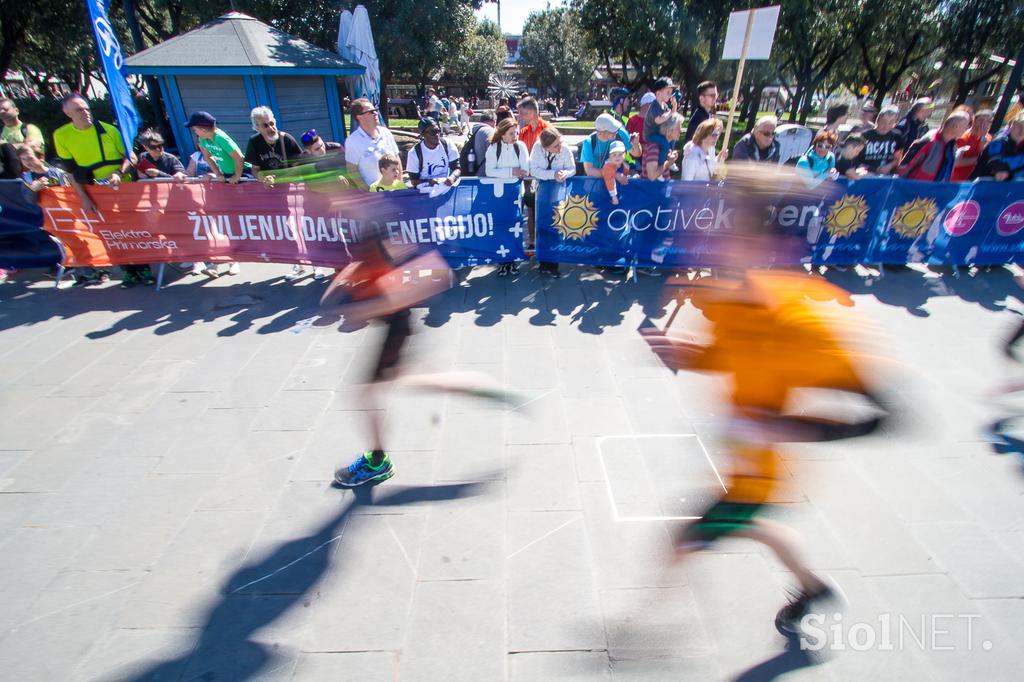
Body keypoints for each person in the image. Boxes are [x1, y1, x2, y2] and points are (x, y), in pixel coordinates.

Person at [644, 164, 890, 637]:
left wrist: (790, 428)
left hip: (761, 475)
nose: (705, 245)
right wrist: (692, 357)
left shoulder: (803, 321)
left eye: (723, 232)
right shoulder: (730, 300)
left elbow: (886, 416)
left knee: (681, 542)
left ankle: (647, 635)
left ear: (763, 244)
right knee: (759, 527)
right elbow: (729, 357)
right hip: (740, 455)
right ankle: (811, 587)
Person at [53, 93, 135, 286]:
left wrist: (118, 172)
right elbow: (70, 171)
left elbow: (130, 157)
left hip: (121, 189)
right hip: (93, 192)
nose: (85, 113)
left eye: (86, 108)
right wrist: (83, 197)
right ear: (67, 112)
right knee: (108, 233)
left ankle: (142, 269)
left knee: (131, 231)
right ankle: (126, 271)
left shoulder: (109, 130)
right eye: (79, 110)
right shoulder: (61, 135)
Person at [187, 110, 244, 276]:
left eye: (196, 129)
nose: (194, 132)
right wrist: (218, 173)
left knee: (236, 221)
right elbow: (207, 157)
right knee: (224, 221)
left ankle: (235, 260)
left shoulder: (221, 138)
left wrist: (237, 176)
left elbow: (239, 158)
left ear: (204, 128)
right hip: (226, 176)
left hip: (242, 174)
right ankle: (220, 261)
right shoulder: (203, 140)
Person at [484, 117, 530, 276]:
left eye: (516, 133)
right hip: (498, 195)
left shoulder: (520, 146)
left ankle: (513, 258)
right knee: (500, 227)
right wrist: (511, 172)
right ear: (502, 134)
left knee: (515, 226)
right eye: (511, 133)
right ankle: (502, 261)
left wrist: (508, 173)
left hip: (516, 194)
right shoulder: (493, 148)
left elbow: (525, 169)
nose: (515, 136)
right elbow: (489, 171)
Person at [529, 127, 576, 277]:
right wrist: (552, 174)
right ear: (545, 147)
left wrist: (565, 173)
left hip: (558, 192)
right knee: (542, 225)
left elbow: (572, 168)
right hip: (542, 190)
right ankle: (543, 261)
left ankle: (554, 263)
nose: (559, 147)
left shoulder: (564, 148)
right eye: (556, 146)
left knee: (556, 226)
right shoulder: (537, 148)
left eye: (560, 143)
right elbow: (534, 170)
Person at [897, 111, 971, 182]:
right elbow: (902, 169)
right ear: (956, 126)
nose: (966, 129)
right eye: (966, 125)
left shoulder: (953, 146)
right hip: (914, 191)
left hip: (935, 192)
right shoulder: (928, 142)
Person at [344, 98, 400, 188]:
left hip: (394, 190)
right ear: (359, 117)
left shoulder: (386, 133)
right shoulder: (352, 141)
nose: (376, 113)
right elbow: (352, 171)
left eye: (375, 110)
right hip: (373, 193)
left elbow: (397, 158)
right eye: (371, 111)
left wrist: (399, 184)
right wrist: (368, 191)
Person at [245, 106, 303, 179]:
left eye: (271, 123)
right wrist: (263, 178)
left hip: (287, 183)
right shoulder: (254, 142)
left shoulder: (287, 139)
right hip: (268, 186)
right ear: (257, 128)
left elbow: (299, 166)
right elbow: (255, 169)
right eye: (265, 125)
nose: (270, 128)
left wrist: (281, 179)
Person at [581, 113, 641, 178]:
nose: (615, 131)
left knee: (636, 177)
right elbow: (589, 170)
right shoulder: (589, 142)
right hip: (596, 180)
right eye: (611, 130)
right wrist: (614, 175)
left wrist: (635, 144)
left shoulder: (620, 133)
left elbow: (636, 154)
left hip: (620, 176)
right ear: (600, 133)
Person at [406, 118, 459, 188]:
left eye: (438, 130)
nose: (437, 134)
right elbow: (414, 181)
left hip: (444, 187)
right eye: (432, 132)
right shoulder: (414, 153)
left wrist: (453, 176)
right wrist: (429, 182)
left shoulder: (447, 144)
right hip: (424, 191)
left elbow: (457, 168)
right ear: (423, 135)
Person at [972, 112, 1024, 181]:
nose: (1022, 131)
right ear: (1012, 125)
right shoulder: (998, 143)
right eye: (1019, 126)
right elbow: (1000, 172)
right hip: (985, 186)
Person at [857, 105, 904, 174]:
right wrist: (870, 169)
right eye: (883, 122)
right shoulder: (864, 136)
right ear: (877, 120)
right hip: (867, 174)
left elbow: (897, 159)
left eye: (890, 123)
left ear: (894, 124)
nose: (886, 126)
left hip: (887, 175)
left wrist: (889, 166)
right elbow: (855, 159)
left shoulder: (897, 136)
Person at [644, 78, 679, 168]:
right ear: (658, 93)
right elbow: (658, 120)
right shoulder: (654, 106)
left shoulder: (665, 105)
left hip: (660, 131)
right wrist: (671, 112)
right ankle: (660, 165)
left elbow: (672, 115)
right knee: (664, 143)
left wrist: (674, 107)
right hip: (651, 134)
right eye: (668, 92)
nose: (670, 95)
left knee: (672, 138)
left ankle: (669, 156)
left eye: (671, 92)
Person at [951, 109, 993, 182]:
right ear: (974, 120)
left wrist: (983, 137)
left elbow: (986, 158)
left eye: (988, 121)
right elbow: (955, 162)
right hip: (955, 180)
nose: (984, 124)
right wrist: (977, 160)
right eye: (981, 120)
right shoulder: (962, 137)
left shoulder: (988, 138)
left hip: (972, 182)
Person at [680, 117, 724, 181]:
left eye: (717, 135)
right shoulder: (692, 156)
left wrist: (718, 158)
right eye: (713, 135)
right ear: (703, 135)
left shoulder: (711, 149)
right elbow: (687, 183)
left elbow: (709, 166)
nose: (716, 138)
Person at [460, 109, 495, 177]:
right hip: (486, 176)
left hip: (475, 173)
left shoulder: (476, 131)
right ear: (494, 121)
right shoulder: (490, 131)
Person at [602, 140, 629, 205]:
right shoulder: (608, 166)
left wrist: (626, 172)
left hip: (616, 192)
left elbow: (624, 175)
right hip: (605, 193)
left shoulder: (622, 163)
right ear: (610, 157)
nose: (617, 157)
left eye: (620, 154)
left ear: (624, 155)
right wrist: (614, 197)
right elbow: (609, 180)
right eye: (614, 155)